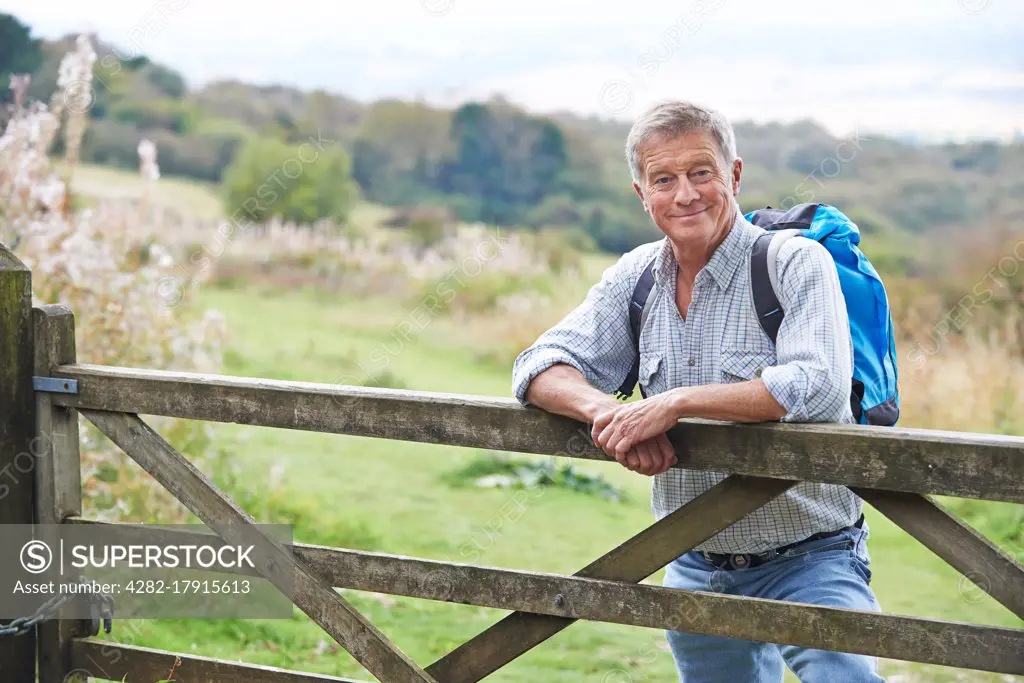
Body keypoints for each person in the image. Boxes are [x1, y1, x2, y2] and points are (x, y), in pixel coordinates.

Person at [511, 100, 884, 682]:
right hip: (692, 558)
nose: (685, 194)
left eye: (701, 172)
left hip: (814, 558)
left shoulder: (793, 263)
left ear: (734, 175)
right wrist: (611, 414)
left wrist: (673, 403)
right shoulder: (635, 276)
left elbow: (813, 384)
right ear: (642, 193)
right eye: (664, 179)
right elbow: (538, 365)